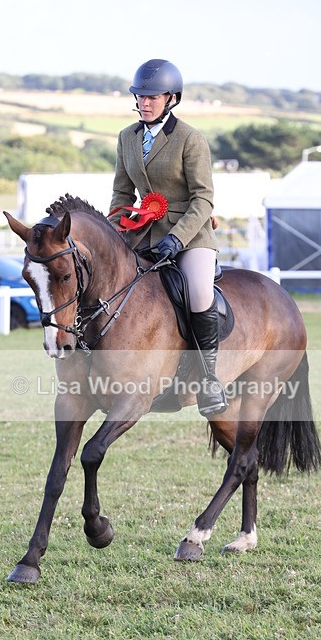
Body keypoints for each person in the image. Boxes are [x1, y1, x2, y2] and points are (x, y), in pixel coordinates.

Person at [108, 58, 228, 417]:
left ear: (171, 98)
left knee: (199, 292)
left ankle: (209, 380)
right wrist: (116, 231)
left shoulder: (190, 138)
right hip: (142, 232)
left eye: (153, 97)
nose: (144, 103)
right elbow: (120, 194)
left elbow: (203, 198)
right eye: (140, 96)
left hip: (189, 236)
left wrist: (176, 240)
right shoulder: (126, 137)